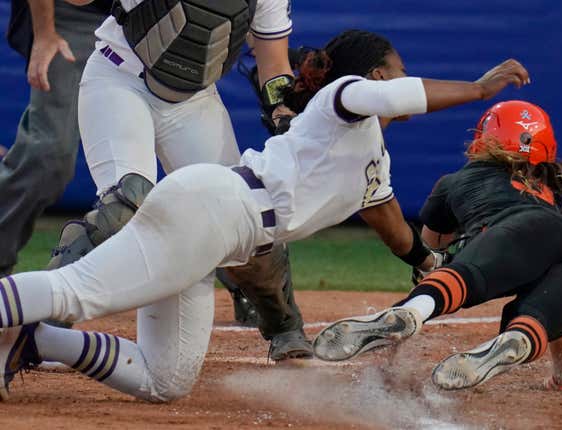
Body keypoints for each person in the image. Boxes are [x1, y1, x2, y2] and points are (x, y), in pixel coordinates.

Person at [0, 29, 528, 402]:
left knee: (167, 380)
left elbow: (390, 222)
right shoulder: (343, 98)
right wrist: (479, 90)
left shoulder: (372, 155)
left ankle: (35, 340)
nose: (404, 78)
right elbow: (389, 92)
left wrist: (426, 259)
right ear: (373, 74)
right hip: (215, 210)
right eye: (398, 69)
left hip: (219, 233)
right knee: (73, 292)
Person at [46, 0, 309, 360]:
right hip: (119, 80)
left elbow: (274, 64)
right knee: (125, 209)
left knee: (245, 216)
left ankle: (283, 325)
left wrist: (283, 111)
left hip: (195, 100)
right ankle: (36, 324)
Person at [312, 100, 562, 392]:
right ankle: (528, 343)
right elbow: (558, 293)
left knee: (459, 279)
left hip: (508, 232)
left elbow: (426, 265)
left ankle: (414, 312)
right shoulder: (550, 196)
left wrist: (396, 346)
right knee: (540, 312)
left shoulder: (455, 181)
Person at [0, 0, 110, 277]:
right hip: (72, 16)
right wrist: (45, 32)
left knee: (191, 161)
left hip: (150, 22)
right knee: (49, 155)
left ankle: (235, 275)